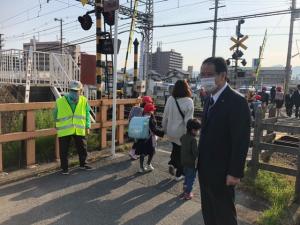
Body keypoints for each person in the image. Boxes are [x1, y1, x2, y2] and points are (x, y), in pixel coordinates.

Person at [198, 57, 251, 225]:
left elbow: (241, 140)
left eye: (209, 74)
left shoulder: (237, 101)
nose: (205, 78)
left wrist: (235, 172)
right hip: (205, 169)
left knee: (224, 215)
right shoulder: (209, 99)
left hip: (223, 173)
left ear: (223, 75)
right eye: (202, 74)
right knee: (209, 213)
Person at [53, 80, 93, 175]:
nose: (74, 92)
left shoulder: (84, 100)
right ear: (69, 90)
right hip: (64, 129)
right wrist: (56, 124)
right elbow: (54, 115)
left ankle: (83, 164)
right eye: (72, 90)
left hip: (78, 128)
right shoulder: (60, 101)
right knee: (63, 150)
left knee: (82, 147)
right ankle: (65, 168)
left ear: (80, 91)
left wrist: (87, 126)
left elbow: (87, 114)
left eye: (76, 91)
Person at [162, 80, 194, 181]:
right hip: (181, 133)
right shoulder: (189, 101)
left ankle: (172, 163)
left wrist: (164, 128)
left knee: (176, 148)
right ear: (186, 88)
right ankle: (179, 174)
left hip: (171, 131)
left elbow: (165, 116)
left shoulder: (170, 99)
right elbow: (188, 121)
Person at [135, 103, 164, 173]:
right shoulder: (150, 119)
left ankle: (141, 168)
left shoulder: (141, 117)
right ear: (150, 111)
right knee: (152, 152)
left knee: (142, 153)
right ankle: (148, 164)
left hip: (141, 138)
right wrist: (162, 133)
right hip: (149, 139)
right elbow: (154, 130)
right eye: (152, 110)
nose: (153, 111)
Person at [179, 118, 201, 200]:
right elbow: (196, 153)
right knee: (191, 178)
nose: (198, 132)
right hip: (191, 163)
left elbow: (181, 140)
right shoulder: (193, 140)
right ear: (193, 130)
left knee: (186, 176)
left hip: (184, 161)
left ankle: (185, 187)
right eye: (197, 130)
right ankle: (187, 193)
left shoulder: (183, 136)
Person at [128, 96, 154, 160]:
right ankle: (133, 152)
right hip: (141, 129)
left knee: (137, 141)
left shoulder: (137, 108)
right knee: (139, 141)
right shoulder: (144, 110)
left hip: (134, 127)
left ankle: (133, 152)